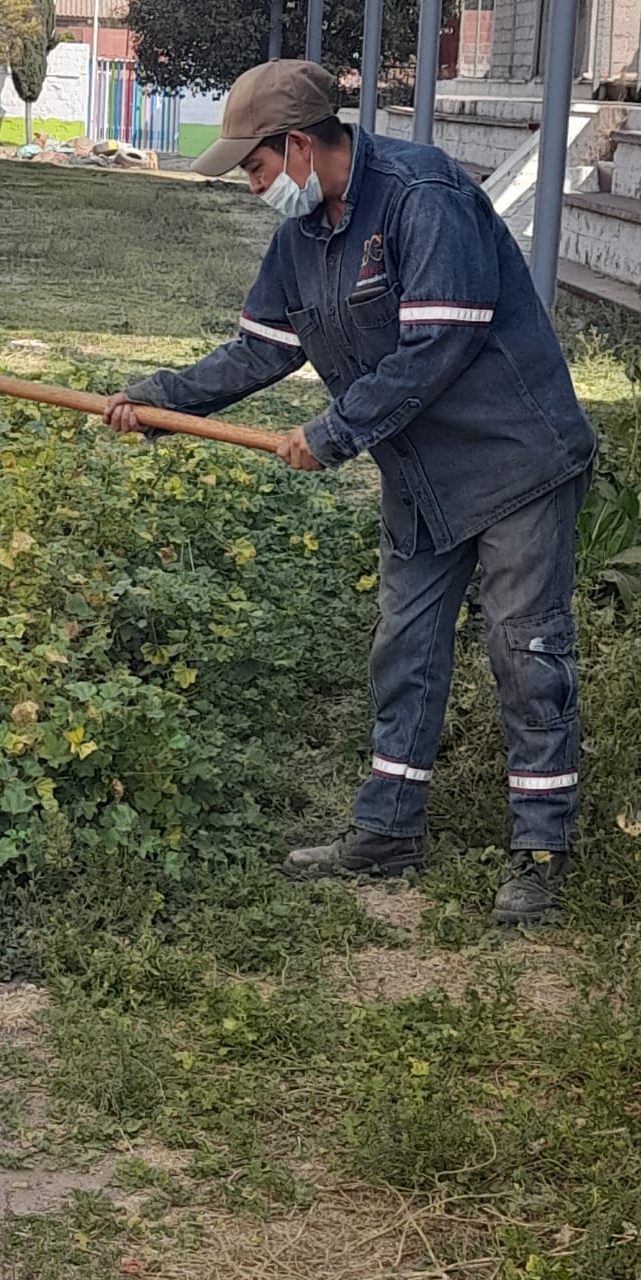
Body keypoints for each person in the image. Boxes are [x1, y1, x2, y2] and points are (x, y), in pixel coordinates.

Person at [103, 59, 596, 925]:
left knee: (526, 654)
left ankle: (541, 853)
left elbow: (436, 348)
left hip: (516, 461)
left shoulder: (423, 198)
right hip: (421, 477)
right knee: (403, 647)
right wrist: (158, 400)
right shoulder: (301, 236)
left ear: (295, 145)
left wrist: (331, 434)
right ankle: (389, 830)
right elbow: (260, 350)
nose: (252, 188)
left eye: (254, 168)